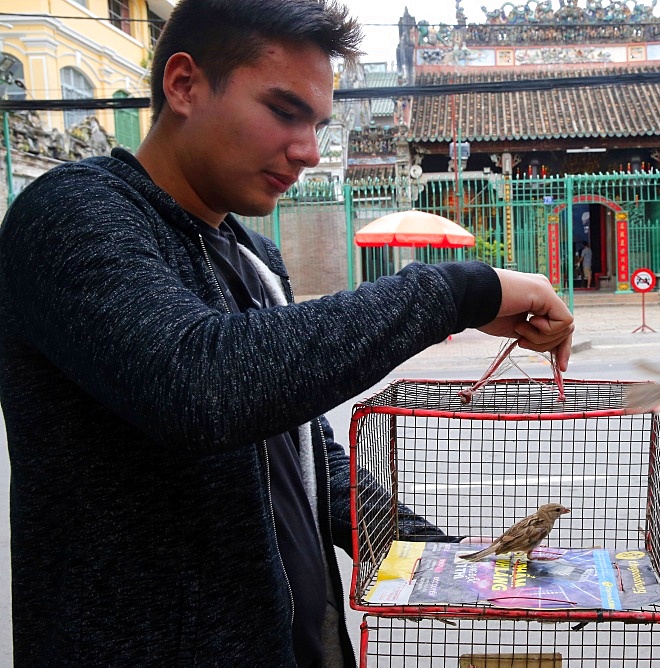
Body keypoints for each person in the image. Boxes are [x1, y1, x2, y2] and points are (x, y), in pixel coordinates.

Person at [0, 0, 574, 665]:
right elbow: (201, 385)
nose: (306, 150)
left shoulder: (254, 256)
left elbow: (305, 458)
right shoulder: (72, 213)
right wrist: (459, 291)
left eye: (319, 124)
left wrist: (454, 561)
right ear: (184, 85)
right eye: (283, 111)